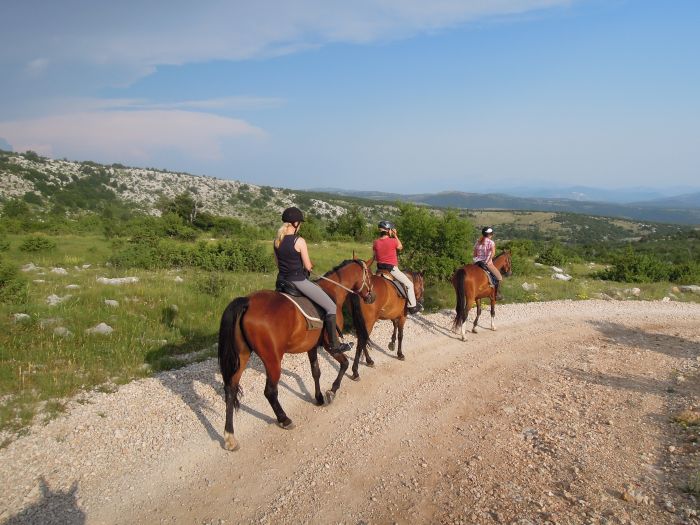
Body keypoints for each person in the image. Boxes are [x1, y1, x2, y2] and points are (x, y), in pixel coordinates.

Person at [274, 207, 352, 354]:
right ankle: (334, 344)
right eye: (300, 223)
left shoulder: (276, 241)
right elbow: (308, 265)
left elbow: (278, 264)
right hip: (298, 282)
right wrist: (308, 267)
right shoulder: (299, 241)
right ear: (295, 223)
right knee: (330, 307)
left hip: (281, 282)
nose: (301, 225)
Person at [373, 220, 422, 314]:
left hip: (379, 270)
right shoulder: (393, 241)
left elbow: (375, 257)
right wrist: (395, 235)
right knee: (409, 284)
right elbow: (400, 247)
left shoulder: (376, 242)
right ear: (388, 231)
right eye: (391, 230)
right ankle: (412, 306)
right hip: (391, 269)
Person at [473, 226, 503, 300]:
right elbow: (493, 254)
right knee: (499, 277)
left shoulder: (478, 242)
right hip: (487, 263)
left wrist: (476, 260)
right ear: (490, 234)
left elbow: (474, 254)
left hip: (477, 262)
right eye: (491, 234)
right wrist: (487, 261)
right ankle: (496, 294)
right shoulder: (491, 242)